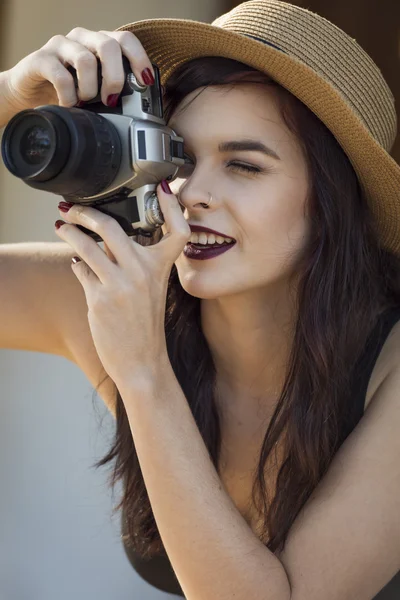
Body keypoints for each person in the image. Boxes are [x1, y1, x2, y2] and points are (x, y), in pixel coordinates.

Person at [1, 0, 400, 598]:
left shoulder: (390, 362)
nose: (189, 192)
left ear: (331, 204)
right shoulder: (109, 291)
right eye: (178, 153)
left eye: (243, 164)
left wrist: (143, 370)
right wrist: (9, 95)